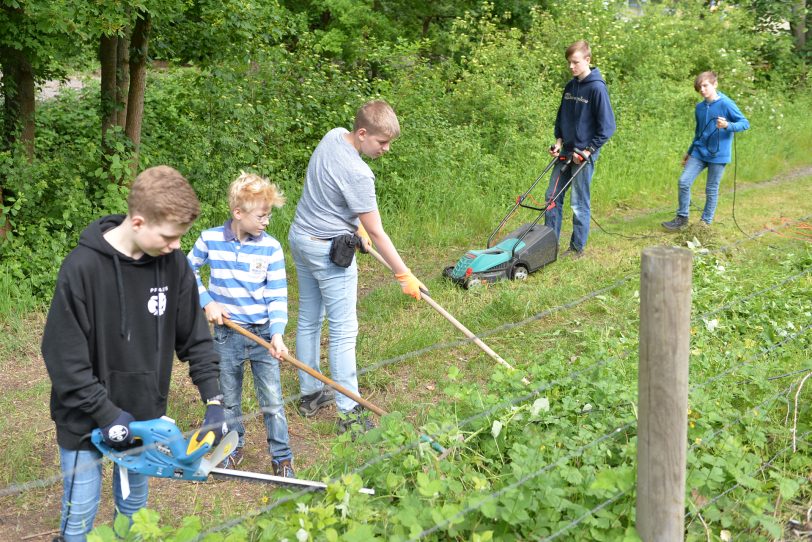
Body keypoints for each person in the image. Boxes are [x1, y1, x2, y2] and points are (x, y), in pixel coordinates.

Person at [41, 166, 228, 541]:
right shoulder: (82, 268)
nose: (176, 246)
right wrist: (107, 414)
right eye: (170, 236)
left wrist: (214, 399)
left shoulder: (172, 264)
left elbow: (195, 335)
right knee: (78, 518)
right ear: (139, 222)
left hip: (143, 418)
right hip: (84, 422)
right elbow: (64, 359)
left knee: (133, 515)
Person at [288, 99, 424, 435]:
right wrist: (402, 273)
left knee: (309, 317)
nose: (386, 149)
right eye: (382, 142)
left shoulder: (334, 135)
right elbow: (377, 232)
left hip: (300, 238)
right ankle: (349, 413)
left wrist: (355, 227)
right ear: (362, 133)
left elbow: (334, 197)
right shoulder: (360, 172)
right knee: (344, 330)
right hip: (327, 251)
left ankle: (310, 394)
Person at [187, 171, 295, 477]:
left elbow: (276, 295)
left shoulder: (270, 247)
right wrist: (207, 301)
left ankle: (282, 457)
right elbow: (185, 269)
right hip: (227, 334)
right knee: (230, 401)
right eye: (261, 215)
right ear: (238, 213)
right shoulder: (209, 239)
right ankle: (233, 449)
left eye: (269, 215)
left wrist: (277, 334)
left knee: (272, 401)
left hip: (261, 333)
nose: (266, 221)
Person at [545, 40, 616, 259]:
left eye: (575, 62)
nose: (571, 67)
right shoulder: (570, 86)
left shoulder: (596, 88)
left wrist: (587, 151)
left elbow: (608, 127)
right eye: (569, 62)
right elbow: (561, 118)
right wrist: (558, 142)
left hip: (583, 156)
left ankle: (577, 248)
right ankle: (549, 246)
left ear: (587, 60)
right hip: (565, 150)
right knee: (551, 198)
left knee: (578, 202)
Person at [662, 70, 750, 231]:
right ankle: (682, 218)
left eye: (705, 85)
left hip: (718, 155)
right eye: (699, 87)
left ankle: (704, 223)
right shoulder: (699, 108)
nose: (702, 90)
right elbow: (699, 132)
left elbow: (744, 123)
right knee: (683, 181)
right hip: (699, 152)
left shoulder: (726, 103)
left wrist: (728, 125)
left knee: (711, 189)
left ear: (714, 84)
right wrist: (689, 153)